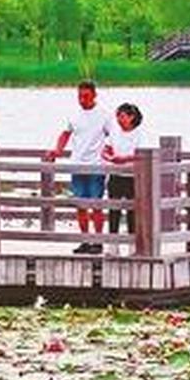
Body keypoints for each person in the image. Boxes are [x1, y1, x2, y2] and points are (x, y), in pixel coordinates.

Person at [45, 80, 117, 254]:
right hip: (77, 164)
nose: (82, 99)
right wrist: (57, 150)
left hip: (96, 166)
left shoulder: (105, 115)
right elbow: (65, 134)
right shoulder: (74, 115)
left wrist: (111, 151)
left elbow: (114, 135)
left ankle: (98, 241)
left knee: (96, 205)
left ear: (94, 95)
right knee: (80, 205)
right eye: (80, 96)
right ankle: (85, 240)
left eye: (85, 96)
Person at [103, 102, 144, 243]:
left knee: (133, 211)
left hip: (133, 177)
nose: (119, 120)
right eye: (117, 117)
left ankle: (133, 243)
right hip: (116, 175)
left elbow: (143, 155)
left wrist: (124, 159)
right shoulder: (115, 132)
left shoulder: (140, 134)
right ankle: (113, 243)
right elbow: (106, 148)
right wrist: (108, 157)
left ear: (132, 117)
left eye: (122, 116)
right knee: (114, 210)